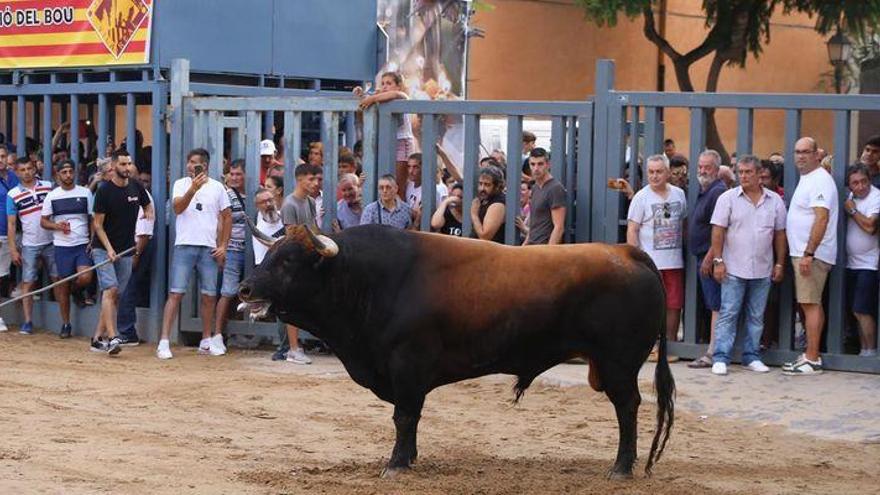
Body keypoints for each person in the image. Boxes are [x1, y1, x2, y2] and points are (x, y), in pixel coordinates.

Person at [708, 155, 787, 375]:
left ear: (759, 174)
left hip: (762, 268)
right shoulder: (728, 198)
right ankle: (721, 357)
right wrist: (718, 260)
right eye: (740, 172)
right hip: (733, 267)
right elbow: (718, 231)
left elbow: (780, 234)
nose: (743, 176)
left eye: (747, 172)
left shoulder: (775, 201)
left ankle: (751, 356)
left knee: (756, 315)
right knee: (729, 313)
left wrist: (780, 263)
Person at [156, 148, 231, 360]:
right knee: (176, 293)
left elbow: (227, 217)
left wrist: (223, 245)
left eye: (194, 162)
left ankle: (206, 340)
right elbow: (178, 209)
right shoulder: (181, 184)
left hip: (208, 248)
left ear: (204, 166)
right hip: (185, 245)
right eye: (189, 162)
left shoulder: (217, 188)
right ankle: (164, 341)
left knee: (209, 295)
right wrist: (192, 189)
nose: (190, 166)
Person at [783, 137, 839, 376]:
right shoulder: (810, 179)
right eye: (797, 151)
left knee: (810, 304)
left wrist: (808, 253)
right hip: (806, 253)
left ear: (818, 154)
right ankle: (810, 354)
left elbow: (822, 217)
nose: (801, 156)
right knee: (810, 303)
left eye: (806, 151)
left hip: (811, 255)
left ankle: (813, 358)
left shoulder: (820, 180)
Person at [92, 150, 153, 354]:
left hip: (126, 249)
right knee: (110, 290)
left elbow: (148, 207)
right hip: (103, 249)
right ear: (114, 166)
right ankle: (113, 337)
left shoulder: (136, 186)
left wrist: (147, 216)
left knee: (116, 295)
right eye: (123, 164)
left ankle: (96, 339)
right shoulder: (104, 191)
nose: (127, 168)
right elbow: (98, 225)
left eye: (129, 164)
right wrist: (109, 249)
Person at [626, 154, 687, 359]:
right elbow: (632, 229)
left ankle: (670, 344)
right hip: (650, 262)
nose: (654, 176)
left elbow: (684, 223)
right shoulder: (641, 198)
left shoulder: (679, 194)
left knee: (674, 303)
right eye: (650, 172)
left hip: (674, 260)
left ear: (668, 172)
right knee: (650, 305)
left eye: (659, 171)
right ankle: (651, 344)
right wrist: (636, 258)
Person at [40, 160, 95, 339]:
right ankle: (65, 324)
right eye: (64, 172)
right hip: (62, 246)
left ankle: (77, 289)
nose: (68, 175)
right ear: (58, 175)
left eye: (71, 171)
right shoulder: (52, 196)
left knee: (86, 277)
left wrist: (92, 239)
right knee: (62, 284)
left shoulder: (85, 192)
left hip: (81, 244)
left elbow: (93, 219)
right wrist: (56, 226)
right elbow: (43, 221)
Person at [685, 150, 727, 368]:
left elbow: (719, 229)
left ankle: (713, 352)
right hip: (703, 257)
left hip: (708, 258)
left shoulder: (717, 191)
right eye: (700, 166)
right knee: (714, 305)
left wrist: (711, 258)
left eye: (707, 167)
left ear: (717, 169)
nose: (702, 170)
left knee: (716, 306)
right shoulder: (707, 190)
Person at [6, 157, 56, 336]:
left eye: (29, 168)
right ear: (17, 172)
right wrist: (12, 249)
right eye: (22, 169)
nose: (26, 172)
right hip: (29, 244)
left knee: (58, 279)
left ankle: (65, 322)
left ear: (35, 169)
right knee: (28, 282)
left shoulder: (48, 186)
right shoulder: (13, 194)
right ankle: (27, 321)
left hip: (52, 241)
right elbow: (11, 224)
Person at [275, 163, 319, 365]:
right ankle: (293, 348)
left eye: (316, 179)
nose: (315, 183)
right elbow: (292, 237)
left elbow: (314, 229)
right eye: (310, 179)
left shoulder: (310, 202)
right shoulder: (289, 204)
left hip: (308, 257)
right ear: (299, 179)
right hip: (296, 260)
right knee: (292, 304)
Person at [843, 164, 880, 357]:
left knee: (862, 310)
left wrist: (852, 211)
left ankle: (871, 352)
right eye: (855, 183)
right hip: (851, 263)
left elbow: (870, 227)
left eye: (864, 181)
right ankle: (863, 352)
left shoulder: (876, 196)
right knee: (855, 312)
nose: (860, 186)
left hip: (869, 264)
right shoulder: (851, 198)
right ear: (849, 186)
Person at [116, 160, 154, 346]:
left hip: (136, 248)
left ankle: (128, 332)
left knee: (127, 289)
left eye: (130, 173)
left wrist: (135, 256)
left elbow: (145, 232)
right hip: (123, 247)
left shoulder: (141, 195)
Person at [356, 72, 411, 199]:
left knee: (398, 185)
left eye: (389, 83)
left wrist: (372, 98)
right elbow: (364, 111)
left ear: (398, 86)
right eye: (383, 83)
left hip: (402, 142)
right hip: (386, 144)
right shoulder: (381, 100)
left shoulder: (401, 96)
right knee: (384, 182)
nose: (385, 86)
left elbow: (397, 94)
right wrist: (362, 95)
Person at [213, 160, 247, 354]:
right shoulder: (225, 195)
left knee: (249, 293)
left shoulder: (257, 193)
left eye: (238, 174)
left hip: (251, 250)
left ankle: (245, 334)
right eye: (232, 174)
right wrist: (221, 248)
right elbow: (220, 222)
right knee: (228, 291)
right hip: (232, 249)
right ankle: (218, 334)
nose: (234, 177)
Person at [523, 148, 567, 245]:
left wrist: (548, 253)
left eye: (540, 164)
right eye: (532, 164)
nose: (536, 168)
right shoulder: (535, 188)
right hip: (532, 246)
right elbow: (534, 223)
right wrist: (524, 246)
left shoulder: (555, 188)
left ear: (548, 164)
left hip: (544, 249)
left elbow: (559, 227)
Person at [404, 153, 448, 228]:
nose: (411, 171)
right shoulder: (409, 184)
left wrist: (401, 206)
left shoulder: (434, 190)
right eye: (409, 167)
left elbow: (427, 217)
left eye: (415, 167)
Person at [0, 144, 18, 327]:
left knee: (3, 275)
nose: (0, 159)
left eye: (3, 156)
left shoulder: (14, 177)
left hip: (13, 232)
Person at [470, 167, 506, 243]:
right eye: (480, 184)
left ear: (497, 186)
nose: (482, 188)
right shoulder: (484, 199)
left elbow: (485, 237)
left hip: (490, 252)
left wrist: (474, 215)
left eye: (487, 185)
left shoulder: (498, 204)